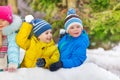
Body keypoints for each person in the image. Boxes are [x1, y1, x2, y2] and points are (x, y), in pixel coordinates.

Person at [0, 5, 22, 72]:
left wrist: (13, 63)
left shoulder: (11, 35)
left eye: (3, 20)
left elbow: (13, 49)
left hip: (7, 68)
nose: (0, 23)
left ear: (9, 22)